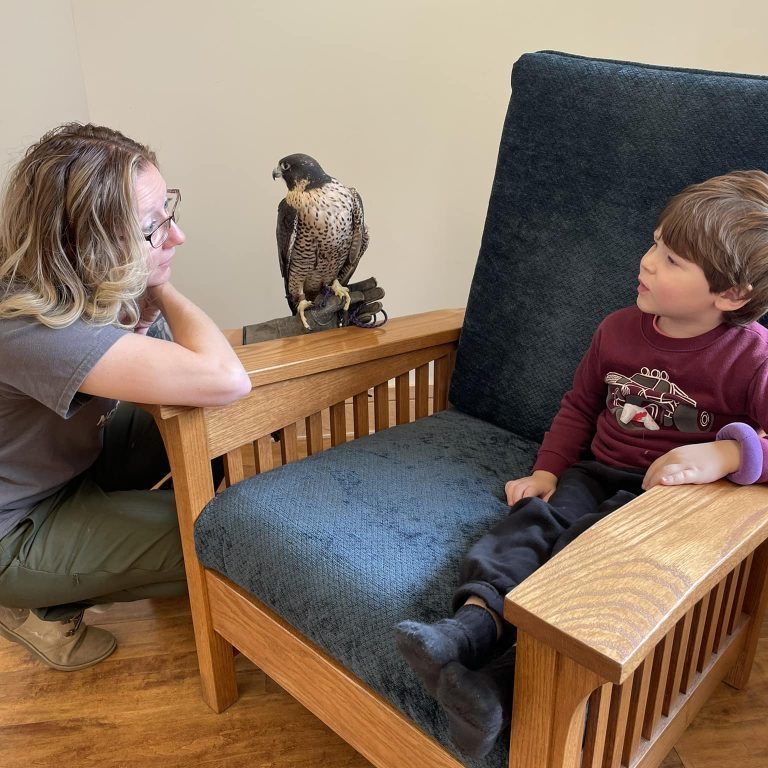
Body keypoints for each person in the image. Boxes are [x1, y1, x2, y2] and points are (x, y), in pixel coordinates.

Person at [395, 169, 768, 759]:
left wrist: (728, 451)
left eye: (671, 259)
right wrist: (546, 471)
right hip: (593, 471)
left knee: (585, 561)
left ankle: (498, 688)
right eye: (654, 243)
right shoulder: (617, 330)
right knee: (527, 524)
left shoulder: (751, 359)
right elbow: (578, 406)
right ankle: (468, 630)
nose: (646, 262)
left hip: (662, 507)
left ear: (732, 294)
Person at [0, 123, 384, 672]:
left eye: (169, 211)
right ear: (89, 244)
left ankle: (106, 538)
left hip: (67, 463)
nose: (176, 237)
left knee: (199, 418)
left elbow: (197, 371)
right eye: (154, 227)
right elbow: (224, 378)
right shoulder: (25, 325)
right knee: (230, 542)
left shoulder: (83, 281)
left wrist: (144, 288)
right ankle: (39, 603)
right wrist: (159, 284)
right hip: (14, 526)